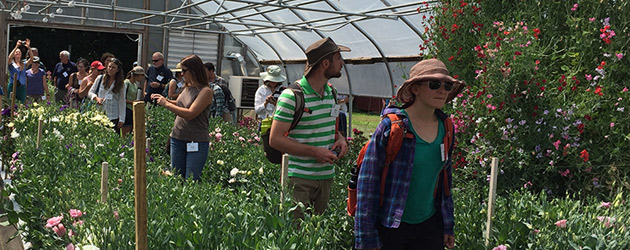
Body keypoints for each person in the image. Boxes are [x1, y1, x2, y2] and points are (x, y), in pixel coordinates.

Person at [354, 59, 463, 250]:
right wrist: (366, 236)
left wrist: (448, 225)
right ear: (416, 89)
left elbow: (445, 182)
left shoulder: (446, 128)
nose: (442, 90)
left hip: (429, 225)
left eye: (447, 85)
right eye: (434, 84)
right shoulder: (393, 128)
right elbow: (367, 184)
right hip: (391, 226)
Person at [269, 37, 350, 220]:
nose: (342, 63)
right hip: (299, 178)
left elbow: (331, 126)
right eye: (338, 58)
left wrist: (340, 139)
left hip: (326, 177)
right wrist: (314, 152)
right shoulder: (291, 96)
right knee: (295, 234)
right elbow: (276, 139)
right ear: (325, 63)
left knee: (316, 232)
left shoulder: (332, 93)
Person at [151, 55, 213, 181]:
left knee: (191, 180)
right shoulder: (187, 87)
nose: (182, 74)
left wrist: (166, 104)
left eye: (184, 71)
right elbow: (180, 104)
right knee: (177, 178)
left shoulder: (205, 91)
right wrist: (164, 100)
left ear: (194, 71)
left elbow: (190, 113)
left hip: (196, 141)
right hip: (177, 138)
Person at [87, 58, 126, 132]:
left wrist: (121, 119)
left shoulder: (121, 83)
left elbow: (122, 101)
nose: (111, 69)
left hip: (113, 115)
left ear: (117, 70)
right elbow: (90, 92)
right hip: (100, 114)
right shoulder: (100, 78)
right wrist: (96, 98)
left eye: (113, 67)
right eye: (109, 67)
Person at [7, 39, 34, 104]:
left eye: (19, 52)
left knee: (21, 103)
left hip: (21, 86)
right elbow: (9, 58)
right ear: (14, 54)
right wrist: (16, 46)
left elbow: (31, 59)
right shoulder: (11, 64)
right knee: (10, 102)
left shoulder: (24, 64)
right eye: (16, 52)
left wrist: (29, 47)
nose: (18, 53)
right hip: (12, 85)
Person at [122, 66, 146, 132]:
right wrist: (132, 102)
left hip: (132, 110)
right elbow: (122, 98)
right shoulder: (126, 83)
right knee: (126, 130)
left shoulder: (135, 84)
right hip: (126, 109)